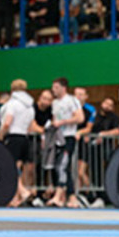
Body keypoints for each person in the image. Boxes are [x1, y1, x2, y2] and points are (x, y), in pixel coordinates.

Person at [46, 78, 84, 209]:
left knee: (62, 166)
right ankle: (71, 197)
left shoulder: (72, 100)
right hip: (58, 138)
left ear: (63, 88)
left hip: (68, 137)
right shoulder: (55, 103)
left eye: (56, 87)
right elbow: (55, 119)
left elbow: (80, 118)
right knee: (61, 167)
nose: (53, 90)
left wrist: (63, 122)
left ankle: (58, 195)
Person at [0, 80, 35, 207]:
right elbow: (31, 127)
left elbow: (7, 122)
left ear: (12, 90)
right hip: (24, 137)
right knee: (16, 168)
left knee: (11, 168)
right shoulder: (30, 106)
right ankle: (14, 198)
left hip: (13, 137)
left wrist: (1, 135)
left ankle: (23, 191)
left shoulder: (12, 104)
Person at [73, 87, 97, 207]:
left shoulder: (90, 109)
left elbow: (88, 128)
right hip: (72, 142)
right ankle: (79, 195)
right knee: (75, 172)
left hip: (83, 143)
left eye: (81, 95)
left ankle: (91, 194)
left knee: (81, 172)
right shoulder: (71, 108)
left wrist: (80, 133)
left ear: (86, 96)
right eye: (76, 94)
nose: (78, 97)